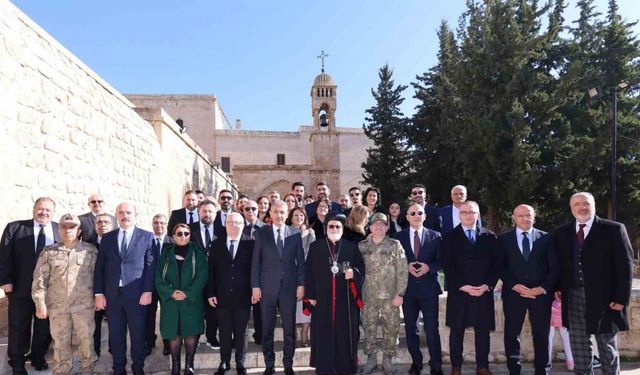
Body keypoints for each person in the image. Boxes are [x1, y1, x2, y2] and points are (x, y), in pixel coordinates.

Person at [554, 192, 634, 375]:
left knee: (606, 343)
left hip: (606, 297)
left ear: (594, 205)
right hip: (573, 295)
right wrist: (557, 287)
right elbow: (560, 264)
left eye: (586, 203)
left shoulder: (613, 229)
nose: (582, 207)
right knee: (579, 344)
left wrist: (621, 297)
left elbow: (626, 265)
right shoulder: (562, 232)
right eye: (577, 204)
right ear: (571, 208)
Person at [440, 201, 502, 375]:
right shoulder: (450, 236)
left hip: (482, 292)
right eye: (464, 212)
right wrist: (462, 286)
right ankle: (456, 367)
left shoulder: (490, 237)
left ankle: (482, 366)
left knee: (482, 331)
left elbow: (497, 265)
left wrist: (487, 285)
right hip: (459, 292)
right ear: (459, 215)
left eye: (471, 212)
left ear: (478, 214)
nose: (468, 215)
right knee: (456, 331)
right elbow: (447, 265)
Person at [94, 201, 156, 375]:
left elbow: (151, 266)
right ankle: (118, 369)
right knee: (116, 336)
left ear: (135, 215)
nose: (125, 215)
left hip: (137, 296)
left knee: (138, 336)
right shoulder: (108, 238)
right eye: (121, 212)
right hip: (113, 296)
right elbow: (100, 268)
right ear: (116, 215)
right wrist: (99, 293)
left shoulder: (146, 236)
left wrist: (147, 290)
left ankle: (138, 368)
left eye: (128, 212)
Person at [32, 213, 98, 374]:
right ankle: (62, 369)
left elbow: (98, 278)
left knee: (86, 340)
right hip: (58, 307)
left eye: (72, 227)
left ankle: (87, 368)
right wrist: (40, 304)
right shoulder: (49, 252)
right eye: (64, 227)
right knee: (60, 342)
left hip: (84, 306)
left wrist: (99, 298)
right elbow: (39, 280)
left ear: (79, 230)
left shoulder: (90, 251)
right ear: (59, 230)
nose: (68, 230)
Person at [0, 197, 57, 374]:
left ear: (53, 212)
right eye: (40, 209)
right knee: (18, 326)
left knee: (44, 326)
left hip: (49, 289)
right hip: (19, 287)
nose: (44, 212)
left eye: (48, 210)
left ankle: (38, 357)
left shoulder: (58, 229)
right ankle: (17, 362)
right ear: (34, 209)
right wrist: (5, 281)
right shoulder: (15, 227)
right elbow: (3, 256)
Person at [499, 204, 558, 375]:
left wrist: (542, 288)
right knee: (511, 334)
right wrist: (514, 285)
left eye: (528, 215)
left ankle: (542, 370)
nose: (525, 218)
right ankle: (514, 370)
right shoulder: (503, 239)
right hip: (513, 295)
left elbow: (554, 268)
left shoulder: (547, 238)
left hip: (540, 296)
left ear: (534, 216)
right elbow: (499, 267)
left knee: (541, 335)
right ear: (514, 218)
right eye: (521, 216)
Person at [305, 213, 365, 375]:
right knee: (323, 332)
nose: (334, 229)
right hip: (322, 299)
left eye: (338, 226)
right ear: (326, 228)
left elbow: (361, 269)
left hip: (345, 299)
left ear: (342, 229)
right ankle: (324, 366)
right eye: (331, 226)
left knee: (345, 333)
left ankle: (345, 366)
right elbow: (308, 271)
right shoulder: (316, 247)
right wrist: (310, 295)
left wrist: (354, 273)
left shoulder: (351, 247)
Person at [251, 200, 305, 375]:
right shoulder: (262, 233)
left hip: (289, 289)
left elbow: (301, 263)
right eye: (276, 212)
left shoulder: (295, 233)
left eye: (282, 212)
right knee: (267, 329)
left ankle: (288, 364)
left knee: (289, 330)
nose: (279, 215)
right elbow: (255, 263)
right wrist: (255, 287)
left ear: (286, 213)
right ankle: (269, 365)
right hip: (267, 289)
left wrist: (301, 284)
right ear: (270, 213)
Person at [394, 204, 444, 375]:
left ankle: (436, 365)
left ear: (424, 216)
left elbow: (442, 261)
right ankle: (417, 363)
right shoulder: (398, 237)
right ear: (407, 217)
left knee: (431, 329)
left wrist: (428, 267)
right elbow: (394, 263)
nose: (416, 215)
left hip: (429, 289)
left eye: (419, 213)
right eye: (412, 213)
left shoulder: (436, 236)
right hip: (408, 290)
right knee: (410, 328)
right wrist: (405, 266)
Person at [156, 224, 208, 375]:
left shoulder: (197, 253)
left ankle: (189, 365)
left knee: (191, 331)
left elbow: (202, 276)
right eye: (179, 233)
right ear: (173, 236)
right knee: (174, 331)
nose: (183, 236)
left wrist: (188, 293)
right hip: (171, 301)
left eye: (186, 233)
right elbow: (158, 277)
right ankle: (175, 366)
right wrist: (170, 292)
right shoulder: (165, 254)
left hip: (191, 300)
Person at [359, 213, 407, 375]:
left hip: (390, 296)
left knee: (391, 328)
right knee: (368, 327)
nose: (379, 226)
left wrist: (400, 293)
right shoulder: (362, 246)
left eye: (382, 224)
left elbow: (402, 270)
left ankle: (387, 359)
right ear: (370, 227)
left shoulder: (395, 245)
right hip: (368, 295)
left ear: (387, 227)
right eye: (375, 224)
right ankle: (371, 359)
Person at [208, 213, 255, 375]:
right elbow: (211, 271)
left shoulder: (252, 243)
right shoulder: (216, 244)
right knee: (225, 330)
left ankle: (240, 363)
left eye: (238, 222)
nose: (234, 225)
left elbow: (254, 270)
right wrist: (211, 293)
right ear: (225, 224)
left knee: (242, 332)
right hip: (221, 296)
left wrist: (254, 290)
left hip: (244, 296)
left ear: (243, 225)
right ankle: (224, 362)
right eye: (231, 222)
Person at [189, 199, 220, 349]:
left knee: (213, 309)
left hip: (215, 276)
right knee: (194, 309)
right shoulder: (189, 229)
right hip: (195, 277)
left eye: (210, 211)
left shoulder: (223, 229)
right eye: (204, 211)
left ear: (215, 213)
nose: (207, 214)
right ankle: (192, 338)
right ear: (198, 212)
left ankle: (211, 337)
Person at [147, 214, 174, 356]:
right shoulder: (146, 241)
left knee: (167, 316)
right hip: (150, 286)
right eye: (156, 223)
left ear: (166, 225)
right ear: (152, 224)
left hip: (167, 286)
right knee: (149, 315)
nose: (159, 225)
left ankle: (167, 343)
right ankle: (149, 341)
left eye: (162, 223)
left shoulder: (173, 242)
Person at [290, 207, 316, 347]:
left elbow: (313, 253)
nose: (298, 217)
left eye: (301, 215)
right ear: (291, 217)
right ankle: (291, 334)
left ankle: (305, 333)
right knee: (290, 305)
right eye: (295, 215)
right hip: (289, 273)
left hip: (305, 272)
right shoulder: (286, 231)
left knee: (305, 303)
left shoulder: (310, 233)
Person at [240, 199, 264, 344]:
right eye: (247, 209)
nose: (250, 212)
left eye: (253, 209)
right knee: (242, 309)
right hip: (241, 275)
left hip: (260, 275)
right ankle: (240, 338)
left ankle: (260, 335)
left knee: (259, 309)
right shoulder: (238, 227)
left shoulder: (266, 229)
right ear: (242, 211)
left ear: (258, 210)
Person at [93, 213, 115, 357]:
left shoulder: (119, 242)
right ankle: (95, 351)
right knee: (94, 324)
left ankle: (115, 350)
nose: (103, 225)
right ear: (95, 226)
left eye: (106, 222)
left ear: (112, 225)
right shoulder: (87, 244)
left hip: (114, 291)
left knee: (115, 323)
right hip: (95, 292)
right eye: (99, 222)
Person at [549, 299, 574, 371]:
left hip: (550, 305)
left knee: (549, 337)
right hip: (563, 306)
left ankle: (547, 362)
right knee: (566, 337)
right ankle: (570, 362)